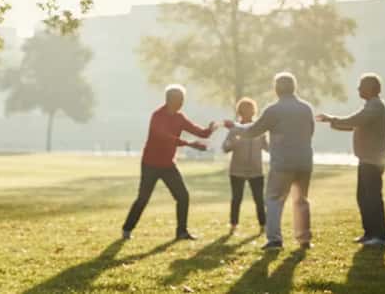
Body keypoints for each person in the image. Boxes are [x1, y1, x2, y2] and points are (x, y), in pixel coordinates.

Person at [224, 72, 316, 251]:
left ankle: (274, 240)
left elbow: (253, 131)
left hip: (283, 162)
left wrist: (235, 128)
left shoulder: (274, 110)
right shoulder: (306, 108)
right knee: (301, 200)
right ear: (294, 87)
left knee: (274, 199)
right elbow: (311, 131)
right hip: (304, 160)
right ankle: (304, 239)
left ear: (276, 89)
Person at [121, 84, 219, 241]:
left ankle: (182, 232)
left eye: (182, 99)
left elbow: (200, 132)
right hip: (150, 164)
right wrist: (189, 144)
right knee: (143, 198)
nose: (181, 103)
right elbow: (163, 136)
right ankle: (127, 229)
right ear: (169, 100)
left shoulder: (179, 117)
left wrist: (210, 130)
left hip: (167, 164)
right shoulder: (157, 116)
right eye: (179, 99)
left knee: (183, 196)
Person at [317, 73, 385, 248]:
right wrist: (332, 123)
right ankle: (369, 233)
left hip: (372, 160)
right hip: (366, 159)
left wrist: (332, 119)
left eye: (361, 86)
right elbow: (354, 124)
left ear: (371, 88)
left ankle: (379, 235)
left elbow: (355, 121)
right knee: (363, 197)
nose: (358, 89)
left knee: (371, 197)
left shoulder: (376, 106)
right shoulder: (370, 106)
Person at [222, 97, 267, 233]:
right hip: (237, 170)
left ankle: (263, 225)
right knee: (236, 198)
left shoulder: (260, 129)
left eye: (250, 109)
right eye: (244, 110)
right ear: (239, 112)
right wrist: (234, 142)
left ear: (254, 111)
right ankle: (233, 224)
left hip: (256, 170)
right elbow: (225, 148)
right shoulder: (234, 129)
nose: (247, 112)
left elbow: (267, 147)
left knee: (259, 199)